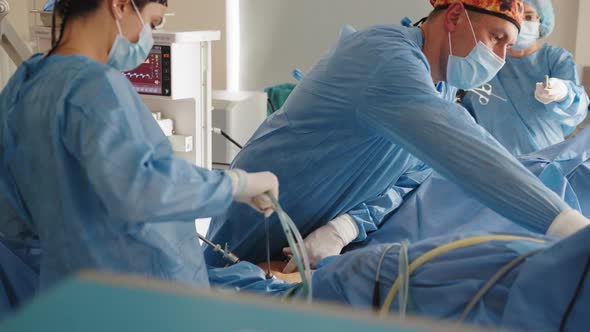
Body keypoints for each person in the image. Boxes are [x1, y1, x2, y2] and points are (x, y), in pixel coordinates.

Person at [205, 0, 590, 272]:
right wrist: (568, 225)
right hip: (254, 226)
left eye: (509, 44)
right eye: (496, 38)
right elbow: (474, 156)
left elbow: (409, 178)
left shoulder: (438, 87)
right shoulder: (387, 58)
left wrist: (344, 228)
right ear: (455, 16)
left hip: (302, 244)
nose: (502, 57)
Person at [0, 0, 279, 289]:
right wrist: (235, 185)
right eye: (153, 22)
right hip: (142, 299)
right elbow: (146, 188)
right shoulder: (95, 86)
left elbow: (11, 218)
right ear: (120, 6)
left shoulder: (22, 85)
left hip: (67, 296)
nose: (148, 36)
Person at [461, 0, 588, 155]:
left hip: (546, 162)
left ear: (541, 21)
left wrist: (563, 94)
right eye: (516, 15)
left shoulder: (555, 59)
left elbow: (577, 109)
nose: (521, 23)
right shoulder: (485, 60)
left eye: (528, 17)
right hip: (493, 164)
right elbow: (464, 116)